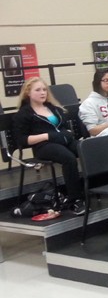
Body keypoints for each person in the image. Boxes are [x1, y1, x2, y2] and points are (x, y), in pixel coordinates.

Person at [13, 77, 86, 215]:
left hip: (62, 141)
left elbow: (63, 127)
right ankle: (75, 200)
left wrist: (66, 133)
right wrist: (48, 136)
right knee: (68, 158)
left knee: (85, 149)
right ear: (28, 93)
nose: (43, 93)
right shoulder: (24, 113)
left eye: (44, 89)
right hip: (43, 146)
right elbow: (22, 140)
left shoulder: (53, 108)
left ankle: (92, 188)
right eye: (38, 90)